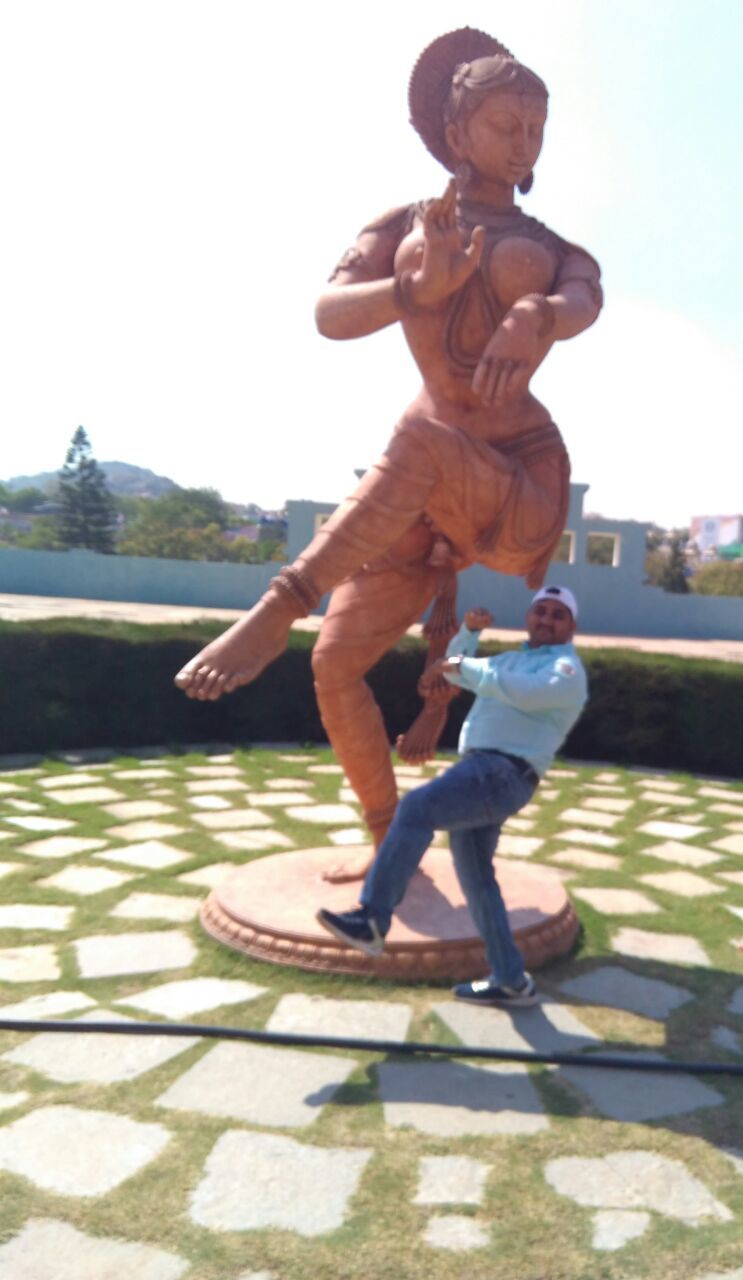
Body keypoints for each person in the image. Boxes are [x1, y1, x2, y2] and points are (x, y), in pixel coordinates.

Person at [173, 28, 602, 881]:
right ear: (456, 131)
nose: (525, 143)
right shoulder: (404, 227)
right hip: (420, 494)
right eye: (506, 125)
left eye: (536, 129)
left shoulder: (556, 252)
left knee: (421, 439)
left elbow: (585, 299)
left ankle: (277, 607)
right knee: (334, 666)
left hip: (516, 481)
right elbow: (329, 313)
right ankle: (385, 843)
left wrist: (537, 315)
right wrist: (410, 289)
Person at [317, 585, 587, 1006]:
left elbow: (521, 690)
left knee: (415, 808)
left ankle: (372, 918)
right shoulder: (512, 660)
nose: (546, 620)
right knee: (477, 881)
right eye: (541, 611)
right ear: (529, 617)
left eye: (557, 614)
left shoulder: (565, 670)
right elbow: (456, 672)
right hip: (485, 773)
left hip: (501, 773)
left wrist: (465, 664)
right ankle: (510, 980)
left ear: (572, 626)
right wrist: (468, 635)